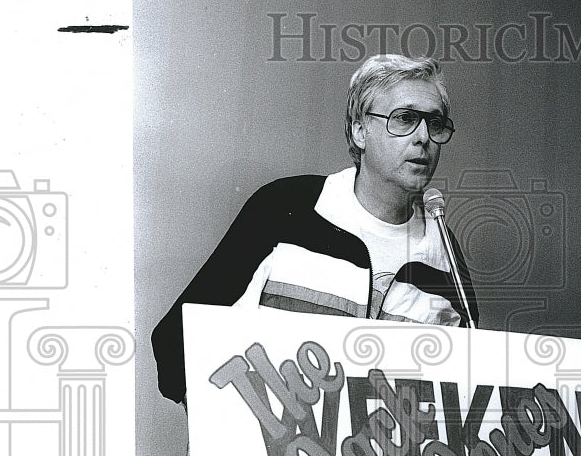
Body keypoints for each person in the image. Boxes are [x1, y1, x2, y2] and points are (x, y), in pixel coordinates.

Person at [152, 54, 478, 408]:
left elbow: (462, 394)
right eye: (404, 119)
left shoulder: (444, 254)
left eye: (435, 123)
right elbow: (176, 340)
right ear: (359, 130)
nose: (423, 138)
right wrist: (208, 426)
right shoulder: (286, 209)